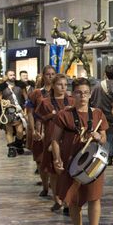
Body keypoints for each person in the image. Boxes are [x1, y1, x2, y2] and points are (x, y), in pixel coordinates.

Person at [50, 78, 107, 225]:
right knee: (74, 200)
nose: (82, 96)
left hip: (93, 163)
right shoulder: (64, 115)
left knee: (94, 198)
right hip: (71, 162)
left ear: (90, 95)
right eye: (78, 93)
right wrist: (56, 158)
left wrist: (99, 137)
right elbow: (55, 140)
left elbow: (103, 137)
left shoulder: (97, 114)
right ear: (72, 94)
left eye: (86, 93)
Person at [34, 75, 70, 208]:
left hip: (68, 139)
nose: (63, 87)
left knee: (66, 170)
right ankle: (57, 199)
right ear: (54, 85)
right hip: (51, 138)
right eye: (60, 84)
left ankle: (67, 201)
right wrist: (38, 131)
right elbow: (39, 118)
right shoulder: (46, 102)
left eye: (65, 85)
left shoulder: (71, 100)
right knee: (53, 170)